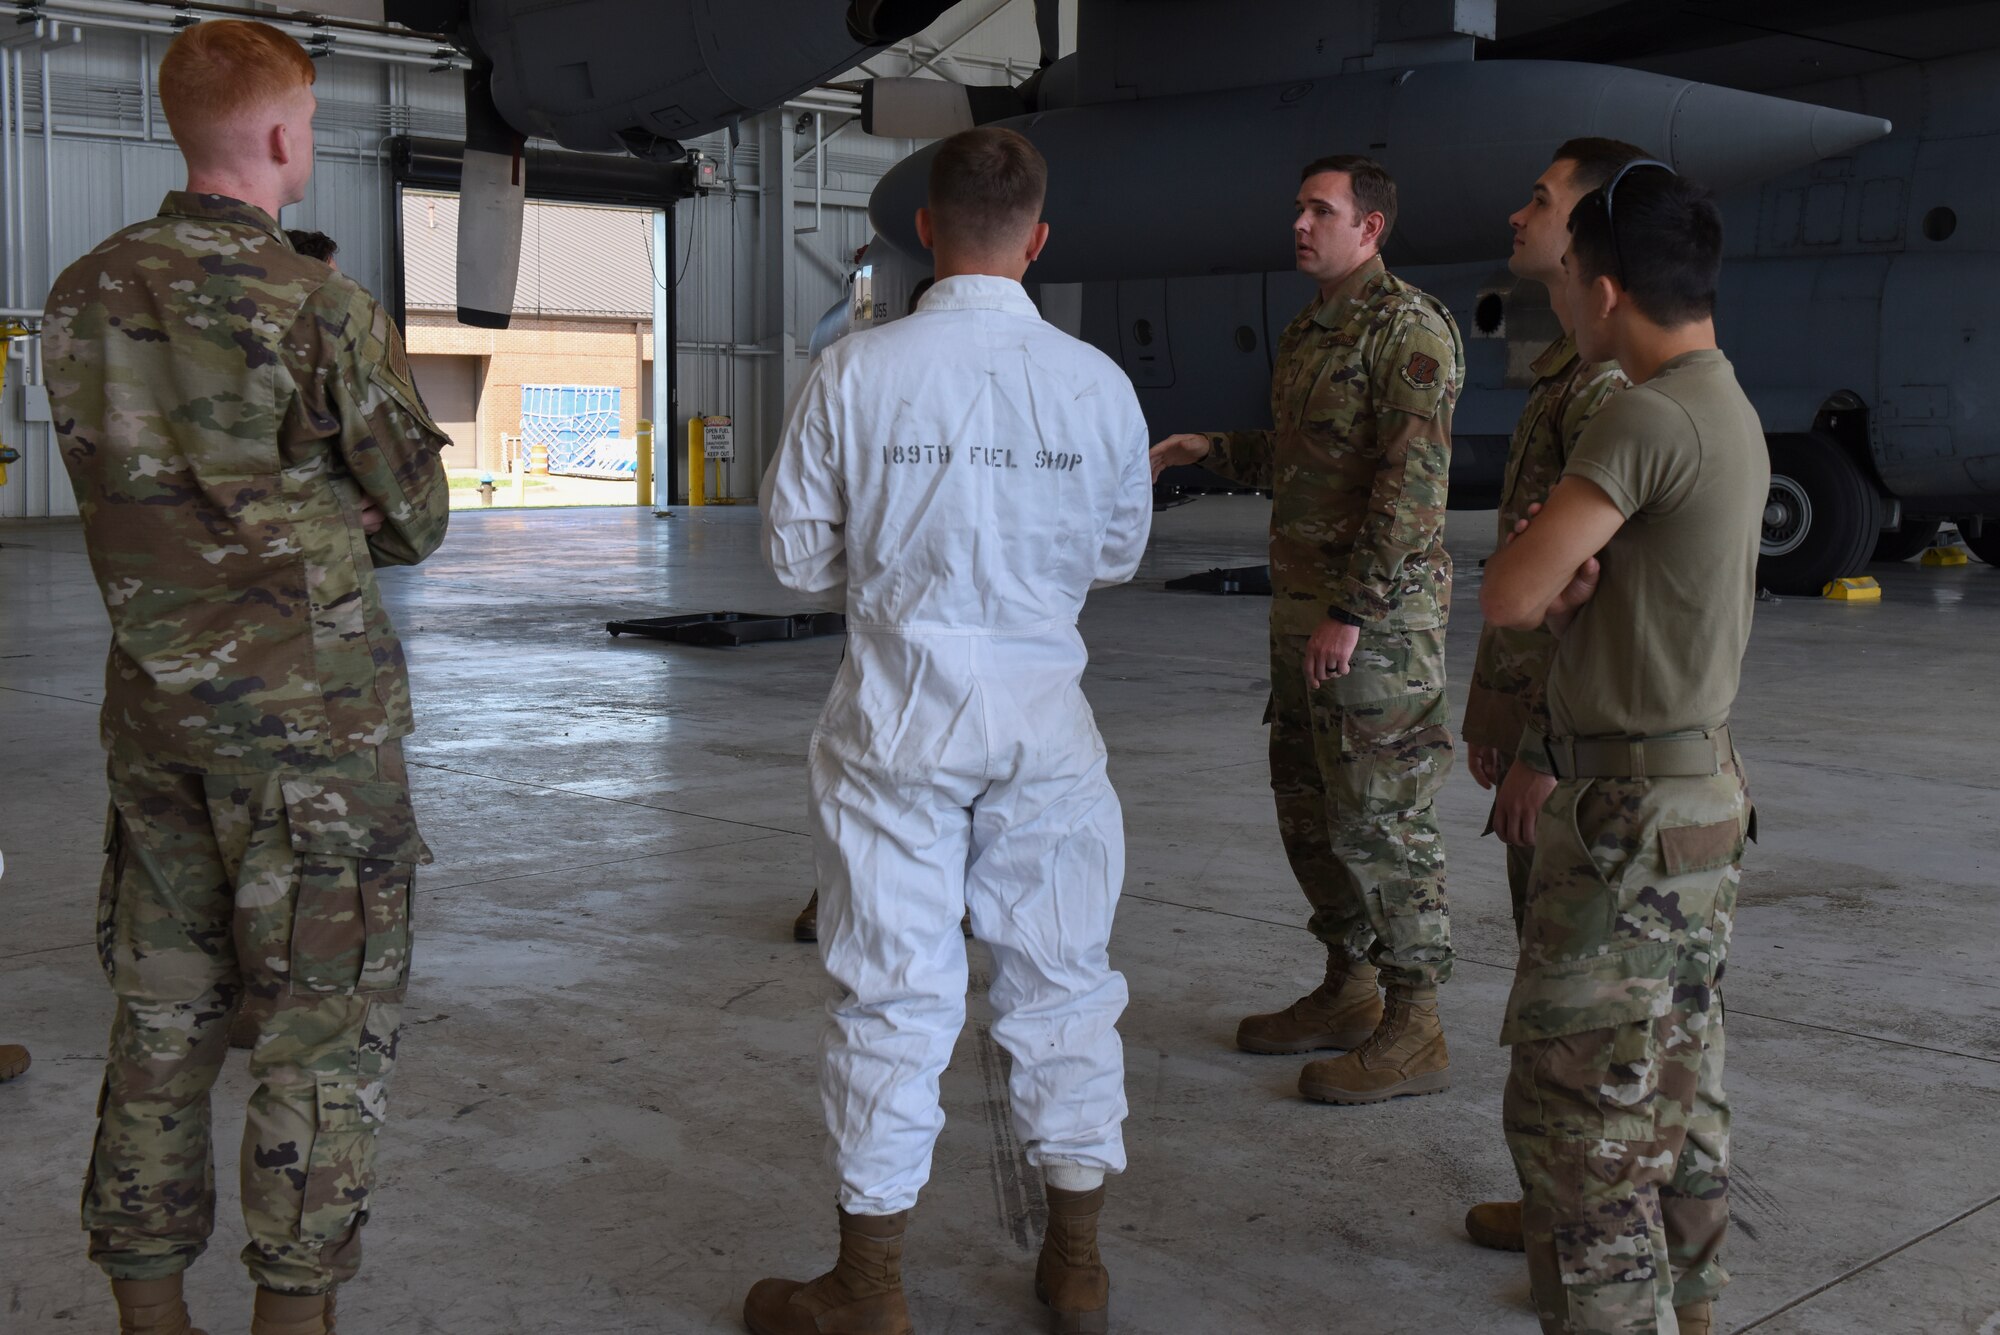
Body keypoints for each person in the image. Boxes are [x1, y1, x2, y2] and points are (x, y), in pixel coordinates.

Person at [41, 20, 451, 1335]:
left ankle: (148, 1311)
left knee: (159, 1017)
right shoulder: (319, 304)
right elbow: (418, 516)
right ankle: (294, 1316)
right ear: (283, 136)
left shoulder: (79, 293)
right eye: (313, 124)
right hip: (311, 741)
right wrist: (318, 510)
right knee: (317, 1033)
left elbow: (129, 493)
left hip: (156, 723)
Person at [749, 126, 1152, 1335]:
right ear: (1037, 241)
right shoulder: (1096, 385)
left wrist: (891, 576)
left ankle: (868, 1287)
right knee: (1064, 978)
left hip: (896, 715)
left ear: (921, 231)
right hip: (1043, 718)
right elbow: (1117, 552)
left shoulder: (857, 372)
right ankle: (1074, 1265)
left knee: (891, 996)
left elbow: (788, 556)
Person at [1481, 163, 1762, 1335]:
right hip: (1699, 796)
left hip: (1628, 823)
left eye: (1562, 280)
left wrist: (1553, 593)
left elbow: (1507, 591)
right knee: (1677, 1084)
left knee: (1577, 1126)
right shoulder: (1724, 399)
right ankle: (1690, 1307)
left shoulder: (1638, 413)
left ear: (1601, 292)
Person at [1149, 155, 1463, 1104]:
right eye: (1297, 209)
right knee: (1311, 811)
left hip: (1371, 630)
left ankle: (1417, 1023)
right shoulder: (1313, 330)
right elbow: (1307, 456)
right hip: (1307, 623)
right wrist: (1212, 450)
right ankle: (1349, 988)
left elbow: (1409, 495)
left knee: (1382, 820)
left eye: (1320, 211)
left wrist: (1350, 613)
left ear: (1370, 228)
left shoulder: (1410, 331)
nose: (1299, 224)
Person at [1459, 137, 1643, 1253]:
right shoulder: (1565, 375)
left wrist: (1539, 747)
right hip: (1538, 726)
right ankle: (1558, 1196)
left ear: (1589, 232)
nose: (1518, 213)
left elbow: (1598, 594)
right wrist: (1494, 712)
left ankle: (1588, 1214)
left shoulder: (1610, 391)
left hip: (1578, 751)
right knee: (1549, 975)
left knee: (1583, 998)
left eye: (1541, 198)